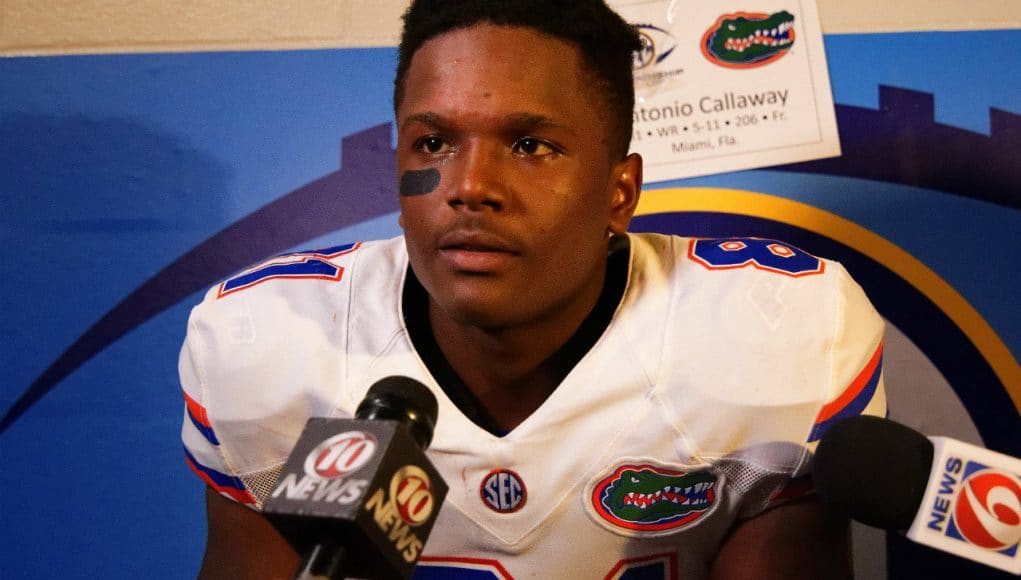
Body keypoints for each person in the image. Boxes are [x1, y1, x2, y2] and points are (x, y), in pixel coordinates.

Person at [180, 0, 887, 578]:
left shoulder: (775, 330)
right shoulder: (266, 340)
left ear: (620, 191)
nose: (468, 188)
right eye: (432, 143)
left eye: (529, 145)